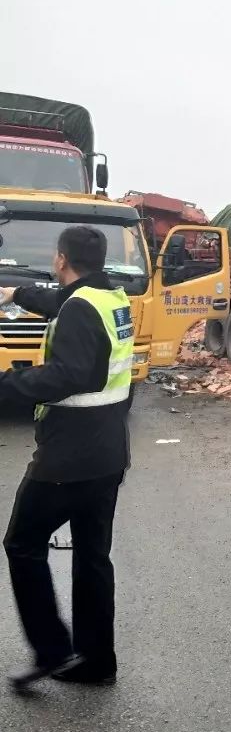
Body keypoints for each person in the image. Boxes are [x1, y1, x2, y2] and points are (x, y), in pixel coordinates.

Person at [0, 225, 133, 693]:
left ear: (61, 259)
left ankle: (54, 651)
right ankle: (97, 662)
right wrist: (15, 292)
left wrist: (7, 386)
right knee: (93, 556)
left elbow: (70, 374)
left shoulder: (80, 307)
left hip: (68, 458)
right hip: (109, 451)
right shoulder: (108, 296)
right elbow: (65, 303)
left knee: (22, 544)